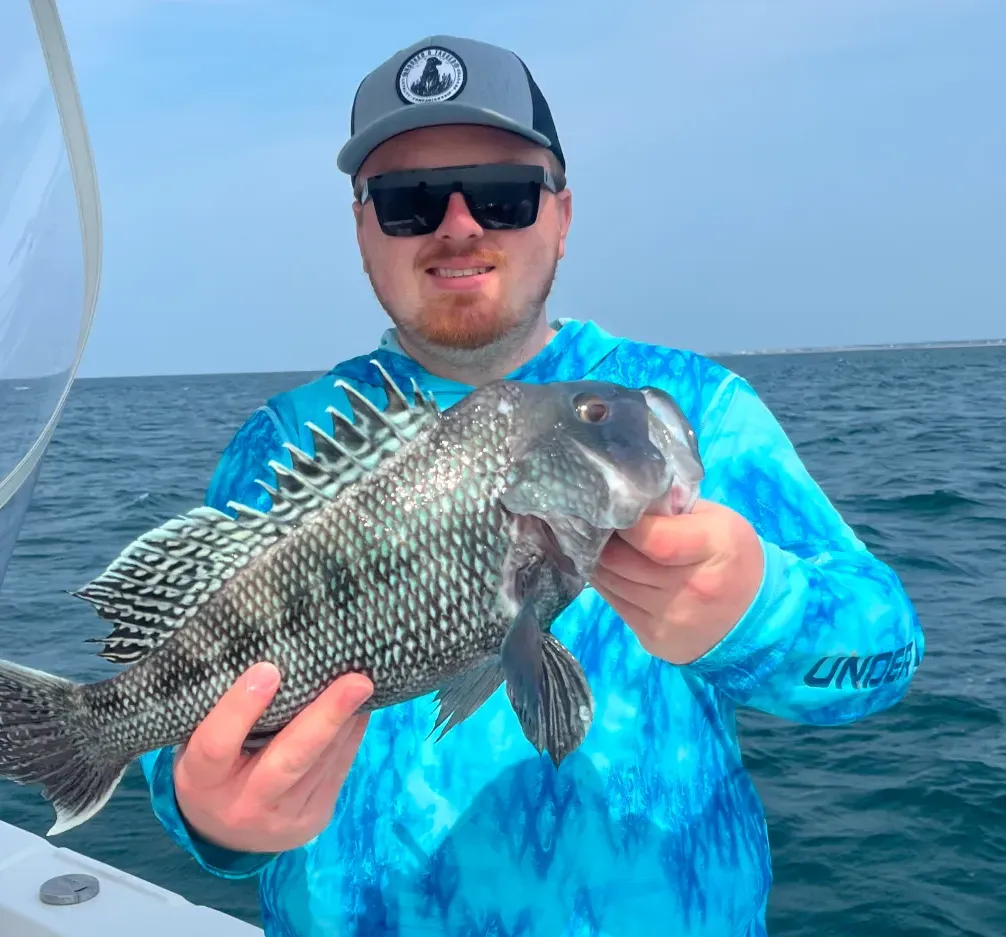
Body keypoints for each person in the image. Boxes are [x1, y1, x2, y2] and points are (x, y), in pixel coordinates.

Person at [139, 34, 924, 937]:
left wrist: (758, 609)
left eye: (505, 194)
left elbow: (885, 653)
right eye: (409, 201)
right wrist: (212, 817)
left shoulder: (688, 404)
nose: (460, 225)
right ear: (362, 230)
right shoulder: (284, 441)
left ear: (561, 213)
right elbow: (183, 736)